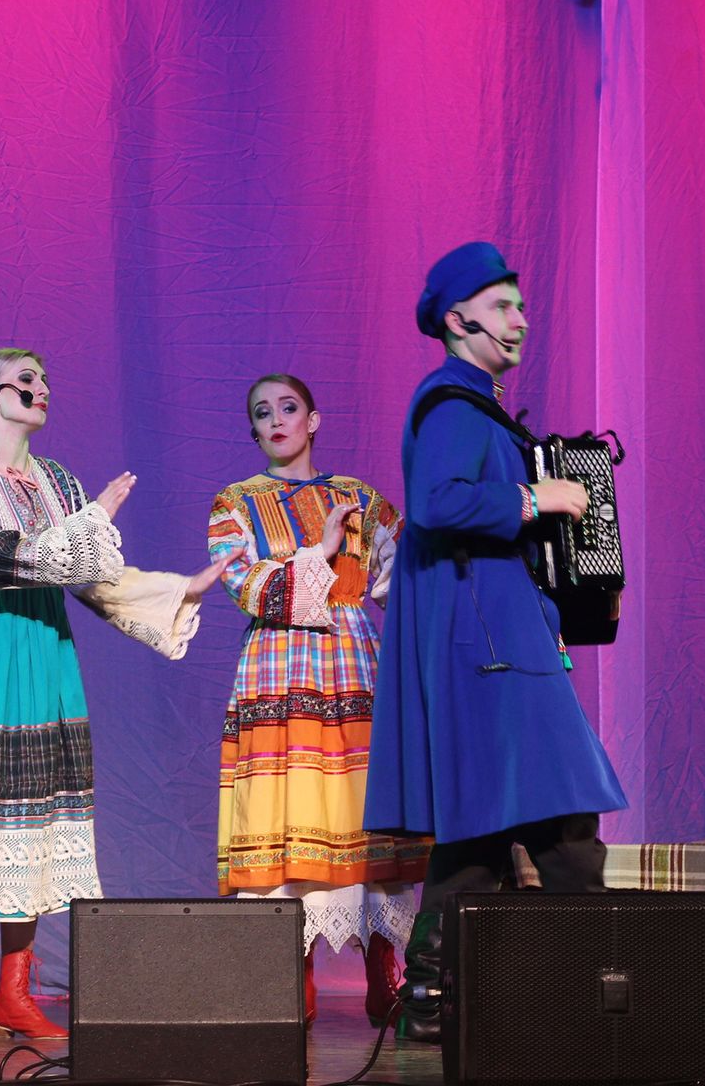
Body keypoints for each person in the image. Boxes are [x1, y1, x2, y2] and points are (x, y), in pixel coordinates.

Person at [0, 348, 231, 1041]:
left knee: (33, 808)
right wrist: (90, 520)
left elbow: (91, 575)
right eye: (26, 380)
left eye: (46, 380)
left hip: (42, 647)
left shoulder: (57, 481)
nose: (41, 388)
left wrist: (179, 589)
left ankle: (15, 992)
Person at [363, 242, 629, 1043]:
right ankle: (604, 997)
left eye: (519, 305)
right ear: (458, 320)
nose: (519, 320)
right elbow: (437, 502)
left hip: (496, 637)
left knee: (482, 827)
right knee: (562, 819)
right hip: (491, 650)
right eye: (501, 306)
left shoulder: (475, 404)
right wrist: (536, 498)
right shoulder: (451, 403)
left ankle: (431, 997)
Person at [208, 374, 426, 1025]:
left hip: (353, 660)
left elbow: (406, 574)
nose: (276, 419)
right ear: (253, 431)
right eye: (262, 412)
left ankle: (384, 972)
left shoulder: (359, 498)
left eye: (288, 407)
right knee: (287, 810)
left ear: (313, 419)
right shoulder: (235, 503)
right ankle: (292, 977)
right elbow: (244, 584)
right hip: (278, 666)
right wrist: (319, 554)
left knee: (364, 809)